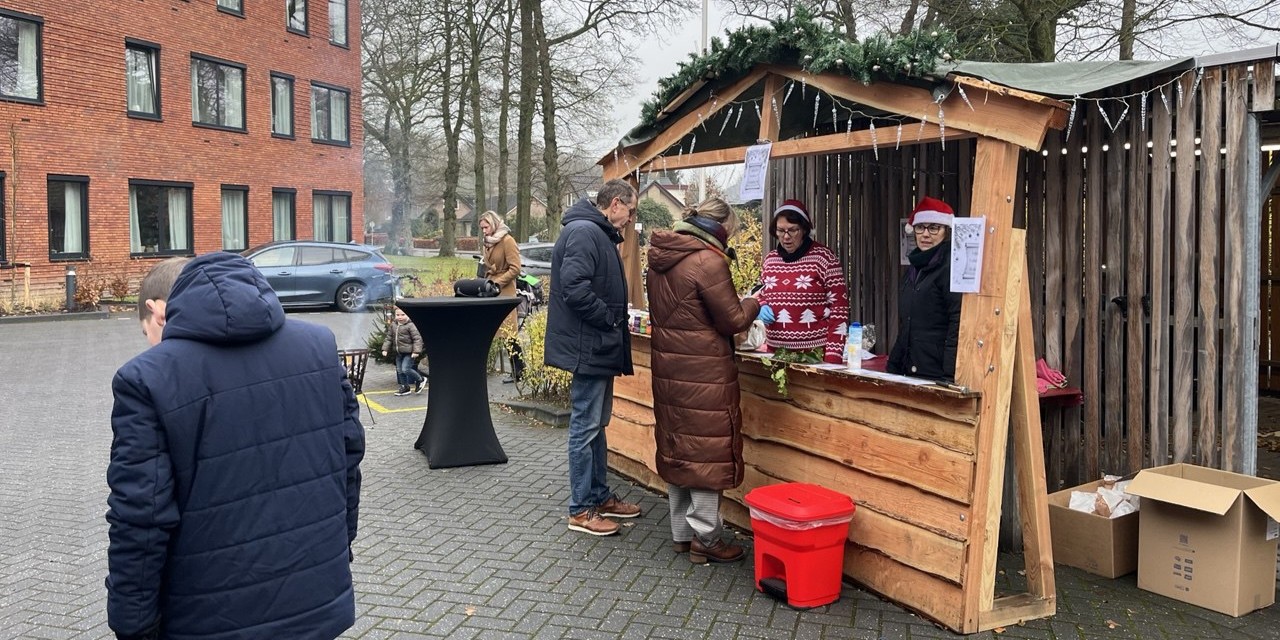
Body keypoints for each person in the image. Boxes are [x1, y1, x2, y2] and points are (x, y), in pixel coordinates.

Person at [105, 253, 365, 640]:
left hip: (209, 617)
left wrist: (133, 624)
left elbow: (141, 515)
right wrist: (338, 549)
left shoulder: (145, 380)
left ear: (159, 312)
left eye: (148, 333)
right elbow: (348, 461)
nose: (153, 345)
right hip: (317, 597)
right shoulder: (319, 347)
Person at [645, 197, 759, 564]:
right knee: (706, 453)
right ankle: (707, 539)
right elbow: (732, 320)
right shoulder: (708, 261)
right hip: (704, 372)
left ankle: (682, 533)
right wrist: (754, 301)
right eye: (732, 231)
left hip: (670, 370)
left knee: (680, 450)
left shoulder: (661, 259)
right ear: (721, 227)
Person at [545, 178, 642, 536]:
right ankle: (581, 509)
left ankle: (599, 497)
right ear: (615, 204)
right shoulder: (586, 232)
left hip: (597, 346)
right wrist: (610, 318)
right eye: (631, 210)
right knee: (585, 427)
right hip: (589, 347)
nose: (631, 219)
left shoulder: (596, 231)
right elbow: (575, 289)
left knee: (596, 425)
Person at [755, 199, 850, 363]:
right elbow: (760, 293)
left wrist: (832, 358)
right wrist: (761, 305)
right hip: (775, 356)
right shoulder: (770, 260)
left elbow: (839, 310)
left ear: (804, 229)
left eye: (793, 230)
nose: (786, 237)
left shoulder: (824, 258)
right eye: (780, 231)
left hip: (815, 357)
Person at [888, 196, 963, 381]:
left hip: (936, 372)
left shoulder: (950, 268)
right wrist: (893, 365)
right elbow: (907, 325)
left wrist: (950, 373)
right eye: (920, 227)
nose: (926, 234)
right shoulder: (913, 269)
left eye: (934, 228)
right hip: (910, 369)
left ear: (946, 231)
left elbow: (957, 321)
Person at [382, 306, 426, 395]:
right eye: (398, 315)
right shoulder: (393, 325)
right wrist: (385, 349)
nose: (400, 317)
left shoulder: (411, 325)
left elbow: (417, 339)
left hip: (409, 353)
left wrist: (416, 351)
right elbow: (389, 338)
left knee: (405, 369)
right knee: (399, 370)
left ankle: (420, 379)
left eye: (403, 315)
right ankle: (405, 387)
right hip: (398, 352)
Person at [478, 210, 521, 298]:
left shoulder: (507, 240)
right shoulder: (487, 242)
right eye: (482, 228)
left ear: (494, 224)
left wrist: (497, 283)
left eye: (486, 227)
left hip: (505, 290)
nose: (484, 231)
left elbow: (516, 269)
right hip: (489, 289)